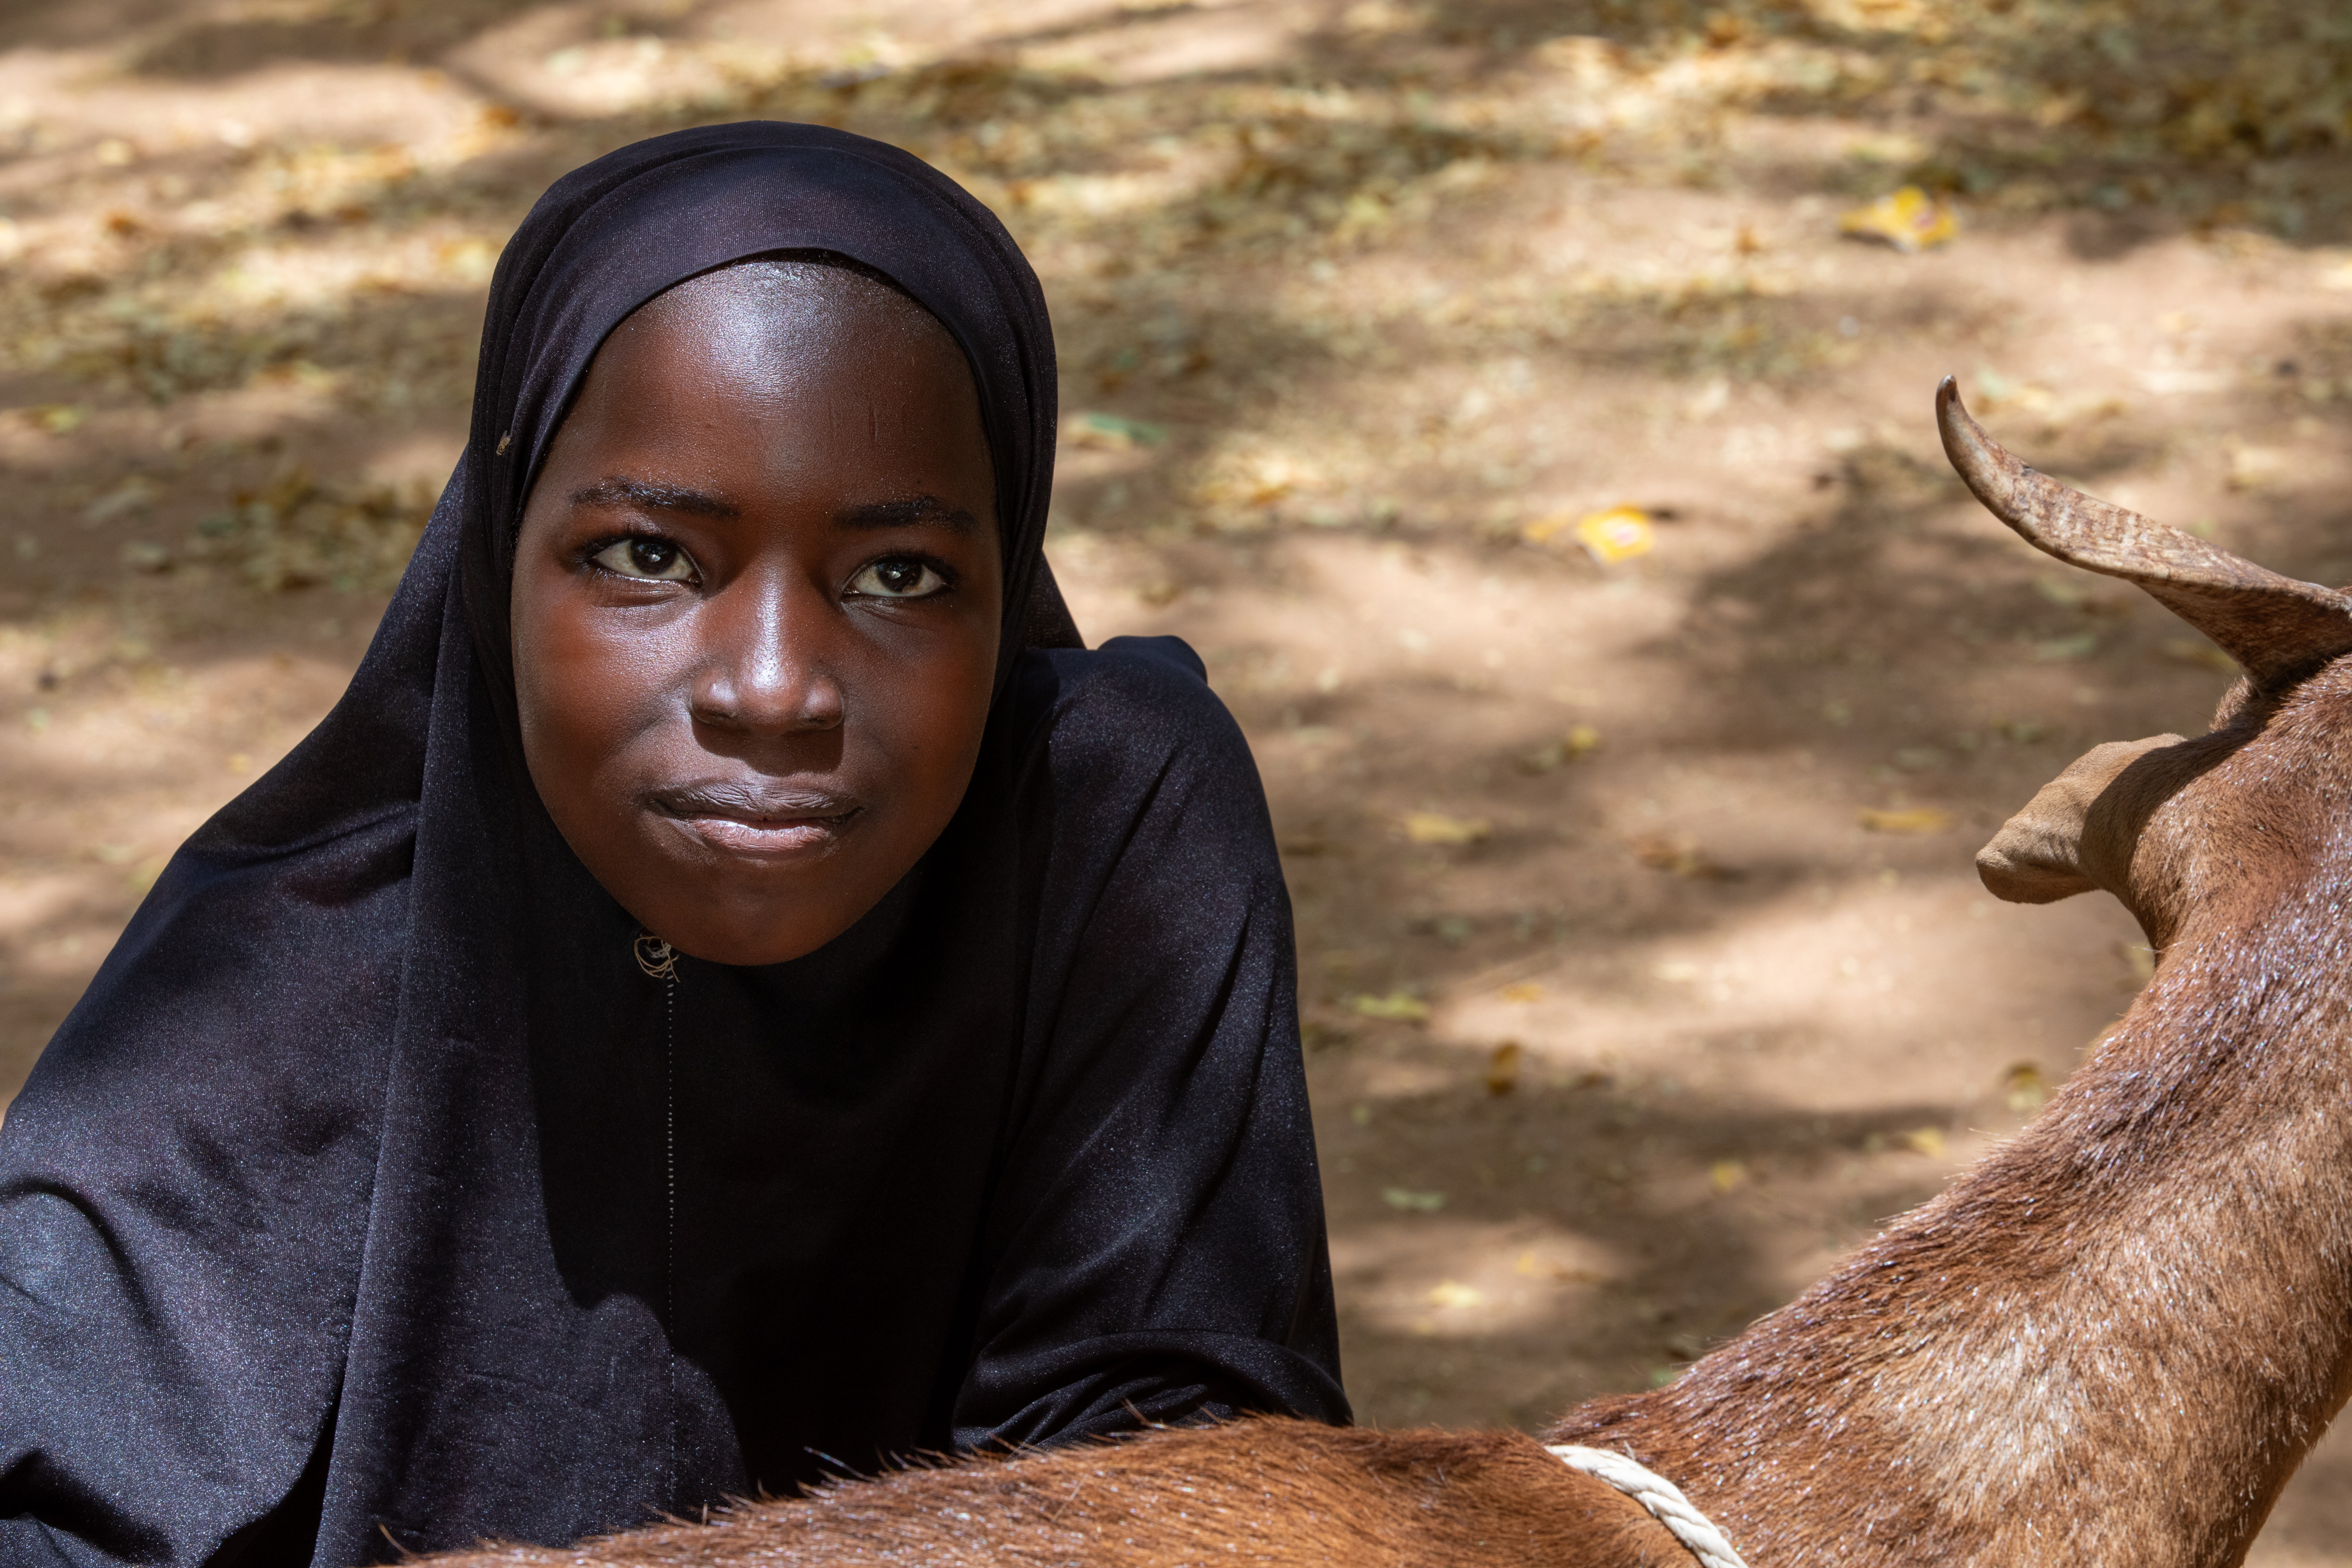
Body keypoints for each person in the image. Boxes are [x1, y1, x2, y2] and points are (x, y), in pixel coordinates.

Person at [0, 123, 1347, 1566]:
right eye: (649, 556)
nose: (770, 689)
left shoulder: (1108, 822)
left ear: (1002, 577)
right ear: (498, 556)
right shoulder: (261, 1008)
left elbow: (1186, 1481)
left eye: (898, 575)